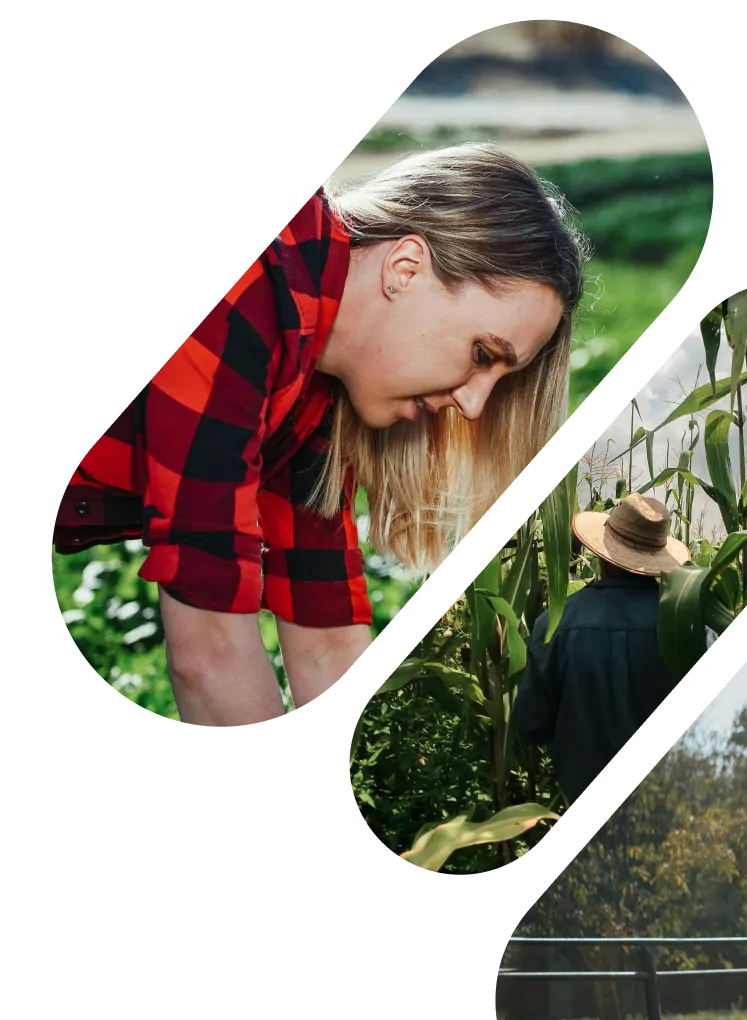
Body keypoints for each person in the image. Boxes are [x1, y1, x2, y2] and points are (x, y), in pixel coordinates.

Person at [52, 143, 590, 727]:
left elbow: (325, 638)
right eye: (483, 354)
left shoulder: (317, 389)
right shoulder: (245, 298)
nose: (473, 402)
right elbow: (209, 648)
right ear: (405, 268)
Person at [512, 493, 698, 807]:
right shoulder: (690, 626)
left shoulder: (555, 623)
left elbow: (532, 723)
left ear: (602, 553)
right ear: (658, 558)